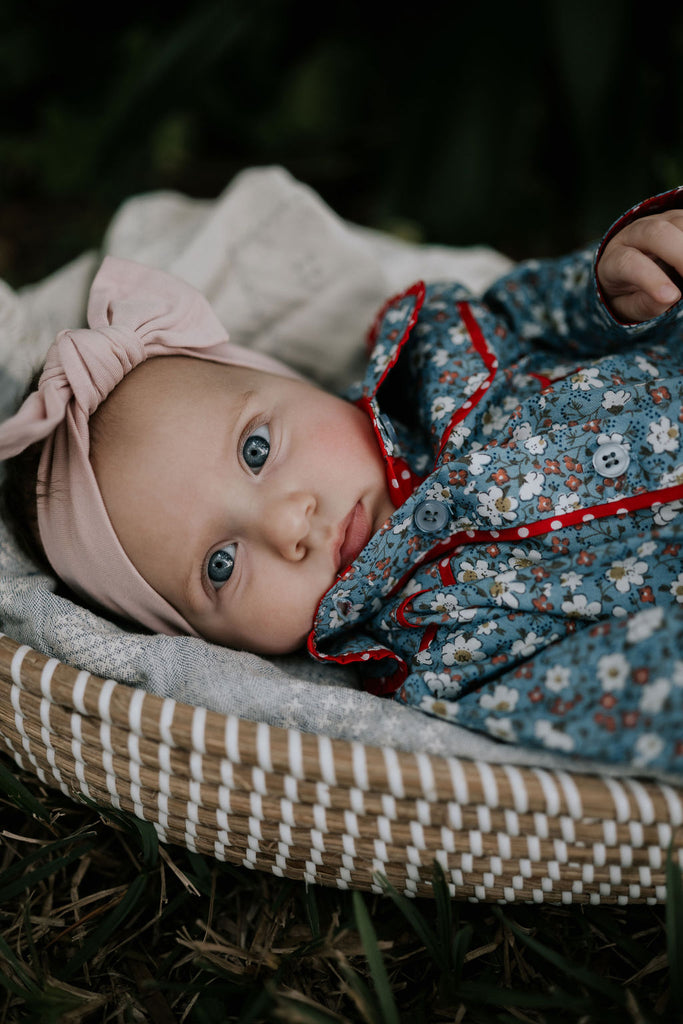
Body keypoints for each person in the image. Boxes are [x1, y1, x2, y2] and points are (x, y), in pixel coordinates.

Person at [1, 187, 683, 772]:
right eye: (219, 565)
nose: (286, 524)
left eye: (258, 449)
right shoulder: (438, 649)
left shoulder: (438, 358)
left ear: (288, 381)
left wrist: (610, 292)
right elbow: (614, 687)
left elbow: (542, 316)